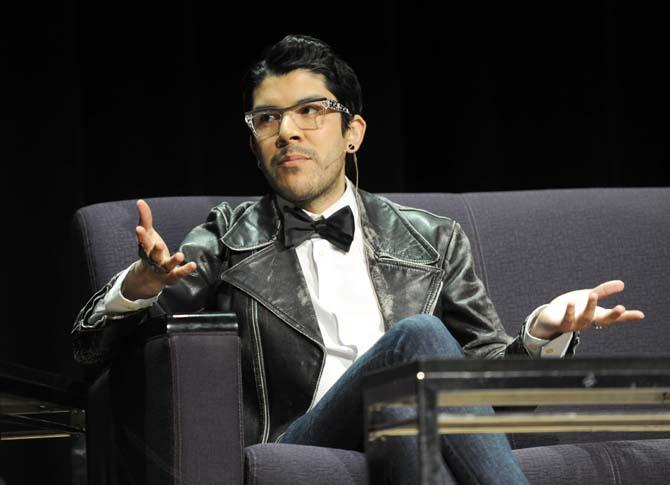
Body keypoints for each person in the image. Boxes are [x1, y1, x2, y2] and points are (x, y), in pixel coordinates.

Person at [72, 34, 645, 484]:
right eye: (266, 119)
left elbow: (484, 391)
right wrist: (140, 286)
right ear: (253, 143)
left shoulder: (431, 239)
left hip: (403, 421)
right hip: (304, 435)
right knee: (418, 337)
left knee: (405, 417)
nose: (286, 131)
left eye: (310, 111)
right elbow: (89, 352)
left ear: (353, 132)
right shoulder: (227, 235)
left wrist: (541, 333)